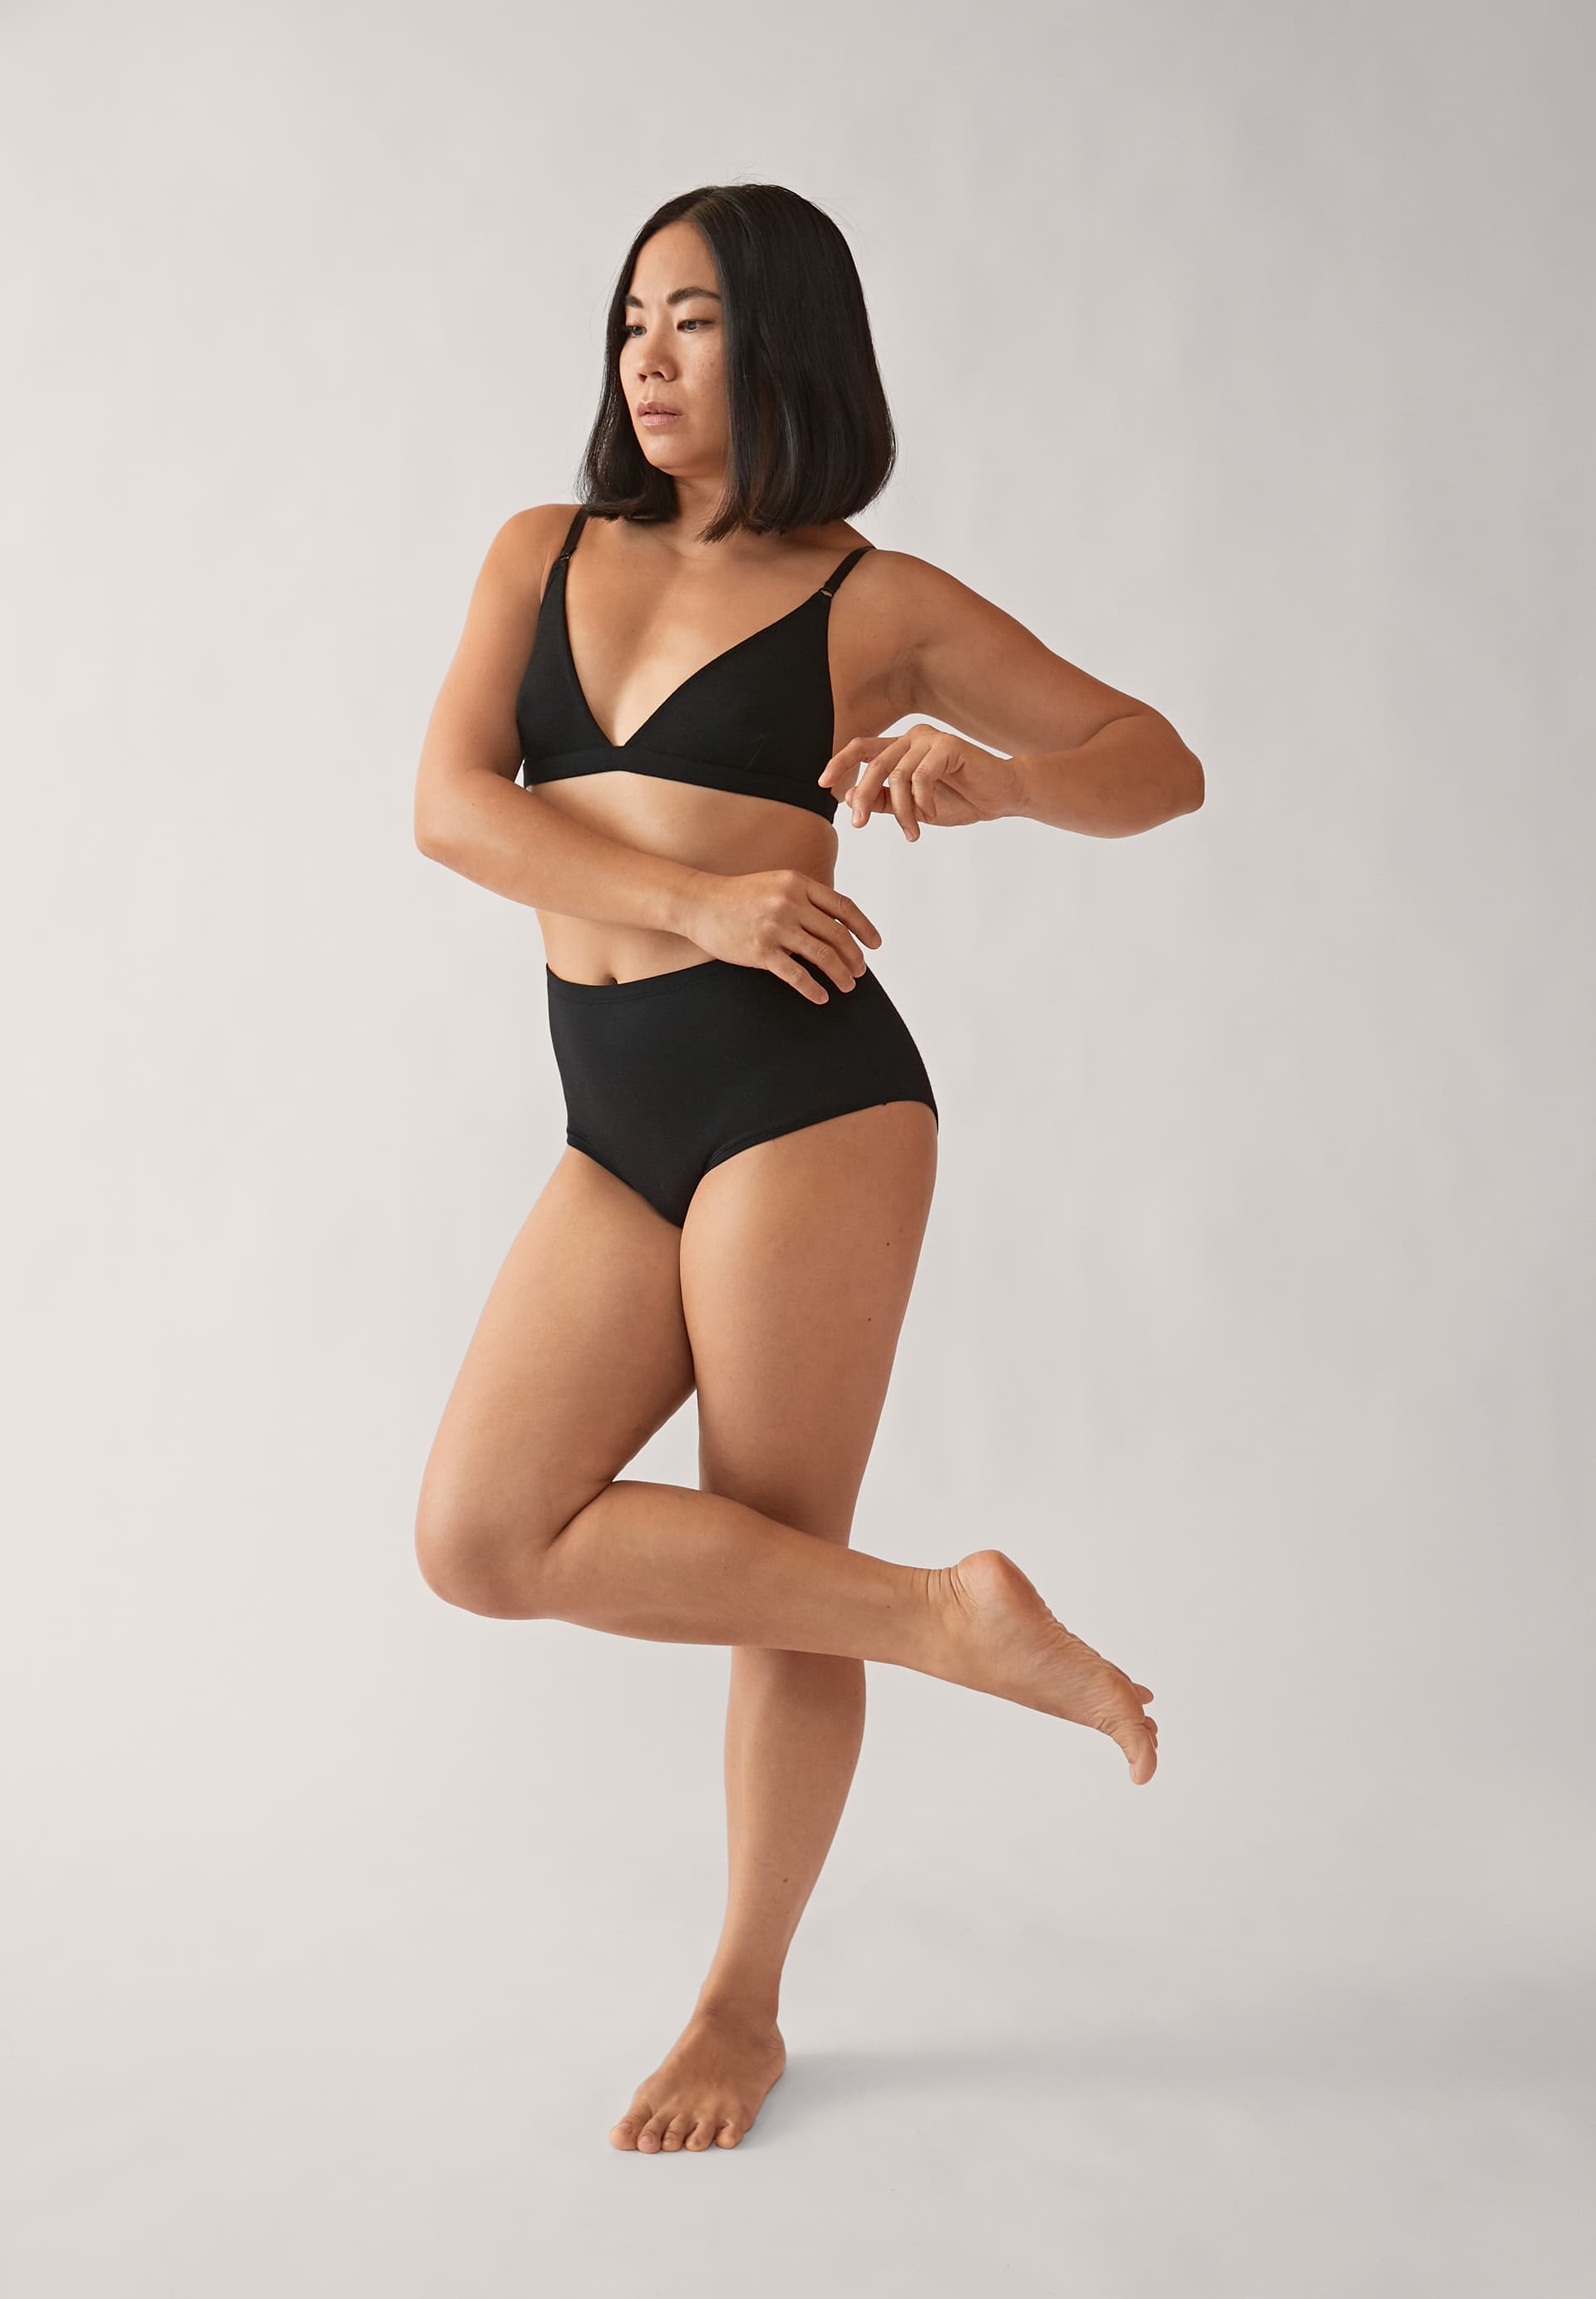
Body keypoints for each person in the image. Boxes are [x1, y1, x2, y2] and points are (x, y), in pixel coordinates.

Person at [411, 182, 1204, 2158]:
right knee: (481, 1538)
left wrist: (1003, 780)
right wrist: (695, 902)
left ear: (786, 343)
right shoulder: (540, 551)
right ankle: (945, 1618)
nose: (650, 360)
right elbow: (453, 811)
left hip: (807, 1107)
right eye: (632, 322)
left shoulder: (877, 602)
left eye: (693, 321)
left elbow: (1157, 760)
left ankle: (741, 2008)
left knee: (775, 1557)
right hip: (617, 1123)